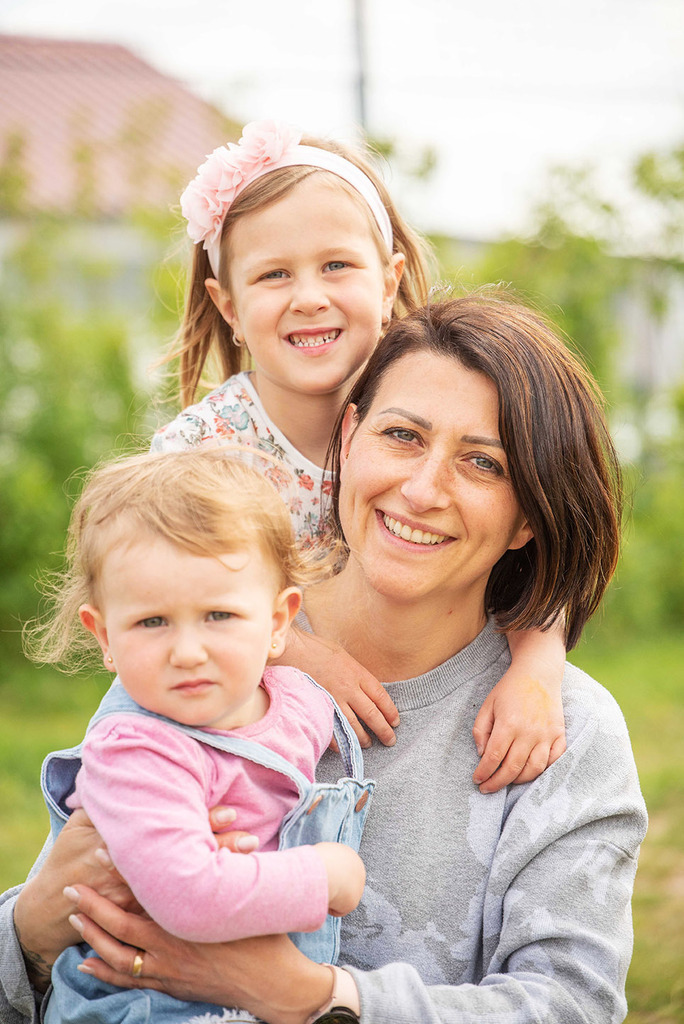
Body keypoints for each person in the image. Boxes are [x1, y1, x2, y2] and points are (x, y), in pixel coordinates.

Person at [4, 294, 647, 1024]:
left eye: (482, 462)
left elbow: (572, 1005)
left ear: (529, 515)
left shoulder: (567, 730)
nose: (423, 488)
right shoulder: (208, 644)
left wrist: (314, 998)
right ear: (350, 435)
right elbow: (50, 964)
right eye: (402, 435)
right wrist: (32, 928)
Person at [152, 119, 568, 789]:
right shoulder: (204, 453)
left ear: (388, 278)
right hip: (231, 719)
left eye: (336, 265)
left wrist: (538, 671)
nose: (309, 296)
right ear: (227, 306)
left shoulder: (433, 409)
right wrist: (295, 653)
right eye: (273, 274)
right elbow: (163, 594)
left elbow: (533, 560)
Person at [29, 448, 372, 1024]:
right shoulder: (135, 750)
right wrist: (325, 875)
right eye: (151, 622)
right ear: (104, 635)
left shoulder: (301, 701)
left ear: (279, 620)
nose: (188, 653)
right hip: (141, 1006)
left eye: (219, 616)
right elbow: (189, 896)